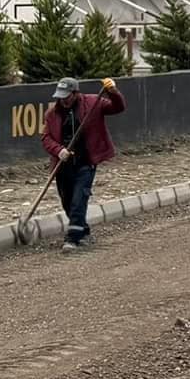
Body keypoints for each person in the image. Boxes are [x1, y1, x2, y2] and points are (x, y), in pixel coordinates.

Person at [42, 76, 125, 251]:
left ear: (75, 93)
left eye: (66, 96)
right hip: (62, 165)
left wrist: (113, 92)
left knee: (79, 200)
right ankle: (83, 231)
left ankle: (72, 239)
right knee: (68, 201)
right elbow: (46, 138)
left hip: (85, 162)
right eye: (60, 96)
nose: (63, 100)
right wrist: (59, 151)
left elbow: (118, 107)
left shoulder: (93, 103)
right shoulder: (52, 114)